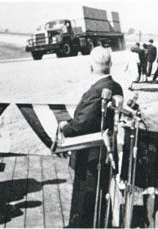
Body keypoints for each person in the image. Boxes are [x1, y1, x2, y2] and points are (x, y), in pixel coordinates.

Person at [59, 46, 123, 228]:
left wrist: (65, 128)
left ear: (90, 67)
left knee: (86, 196)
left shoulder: (98, 90)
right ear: (110, 64)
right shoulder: (114, 86)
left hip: (91, 154)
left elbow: (82, 124)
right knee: (95, 195)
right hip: (101, 152)